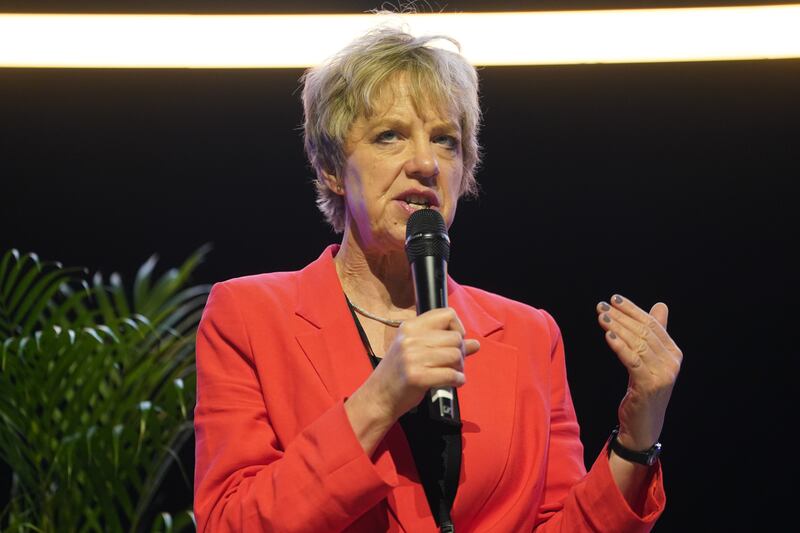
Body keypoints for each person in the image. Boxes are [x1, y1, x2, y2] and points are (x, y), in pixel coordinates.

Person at [193, 25, 682, 533]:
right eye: (390, 135)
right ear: (331, 168)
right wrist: (379, 399)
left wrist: (637, 432)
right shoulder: (250, 317)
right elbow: (231, 523)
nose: (426, 163)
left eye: (445, 141)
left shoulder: (530, 335)